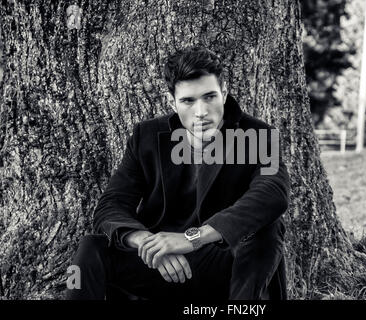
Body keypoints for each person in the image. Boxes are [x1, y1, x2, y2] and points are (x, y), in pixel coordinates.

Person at [65, 46, 290, 300]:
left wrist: (192, 238)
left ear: (224, 93)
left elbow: (273, 193)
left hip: (225, 267)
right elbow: (110, 205)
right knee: (90, 247)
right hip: (160, 266)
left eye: (209, 97)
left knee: (267, 227)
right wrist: (148, 243)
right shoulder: (146, 136)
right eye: (188, 101)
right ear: (171, 101)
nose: (201, 111)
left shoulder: (261, 135)